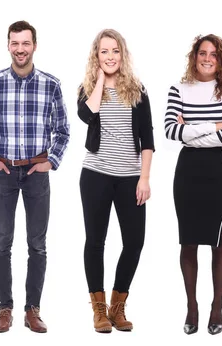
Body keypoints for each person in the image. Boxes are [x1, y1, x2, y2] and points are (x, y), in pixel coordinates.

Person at [0, 20, 70, 334]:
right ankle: (5, 309)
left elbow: (64, 131)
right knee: (2, 243)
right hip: (3, 171)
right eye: (15, 43)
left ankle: (33, 309)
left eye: (25, 43)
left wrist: (51, 161)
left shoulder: (51, 84)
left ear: (34, 46)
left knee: (37, 245)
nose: (20, 49)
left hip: (36, 172)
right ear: (8, 45)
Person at [77, 29, 155, 333]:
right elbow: (87, 114)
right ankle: (98, 310)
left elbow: (147, 139)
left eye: (115, 51)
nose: (110, 57)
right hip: (95, 175)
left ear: (122, 55)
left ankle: (117, 306)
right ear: (96, 57)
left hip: (130, 178)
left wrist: (144, 178)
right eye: (104, 51)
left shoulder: (137, 90)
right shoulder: (86, 88)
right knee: (95, 242)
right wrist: (98, 81)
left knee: (134, 242)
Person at [164, 34, 222, 335]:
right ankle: (192, 307)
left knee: (219, 240)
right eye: (202, 53)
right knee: (189, 240)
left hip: (218, 169)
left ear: (221, 59)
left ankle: (217, 306)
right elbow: (171, 130)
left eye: (214, 54)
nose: (207, 58)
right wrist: (213, 125)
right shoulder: (178, 89)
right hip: (188, 170)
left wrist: (191, 129)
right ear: (194, 56)